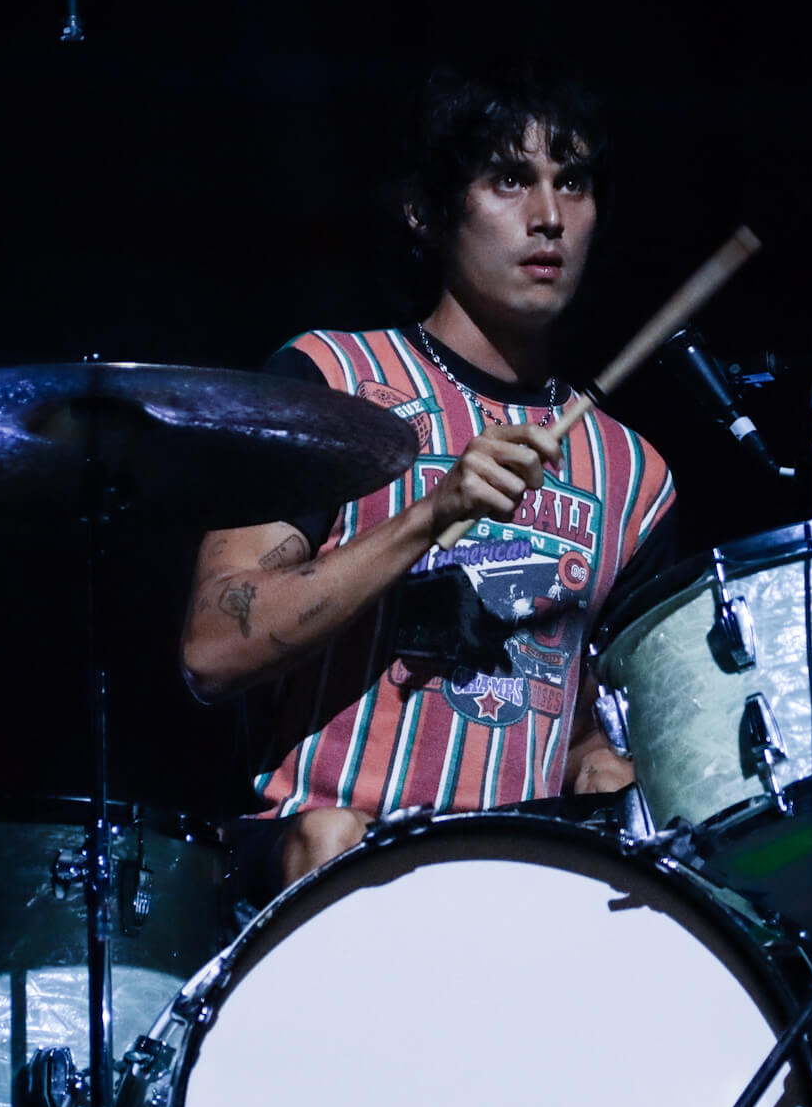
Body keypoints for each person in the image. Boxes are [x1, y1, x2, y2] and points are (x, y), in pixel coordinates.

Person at [179, 63, 678, 893]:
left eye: (574, 183)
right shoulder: (332, 382)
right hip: (317, 870)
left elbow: (581, 709)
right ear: (425, 210)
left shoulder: (636, 475)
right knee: (334, 834)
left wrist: (599, 760)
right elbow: (213, 646)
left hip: (524, 889)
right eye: (510, 179)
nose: (549, 217)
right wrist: (430, 514)